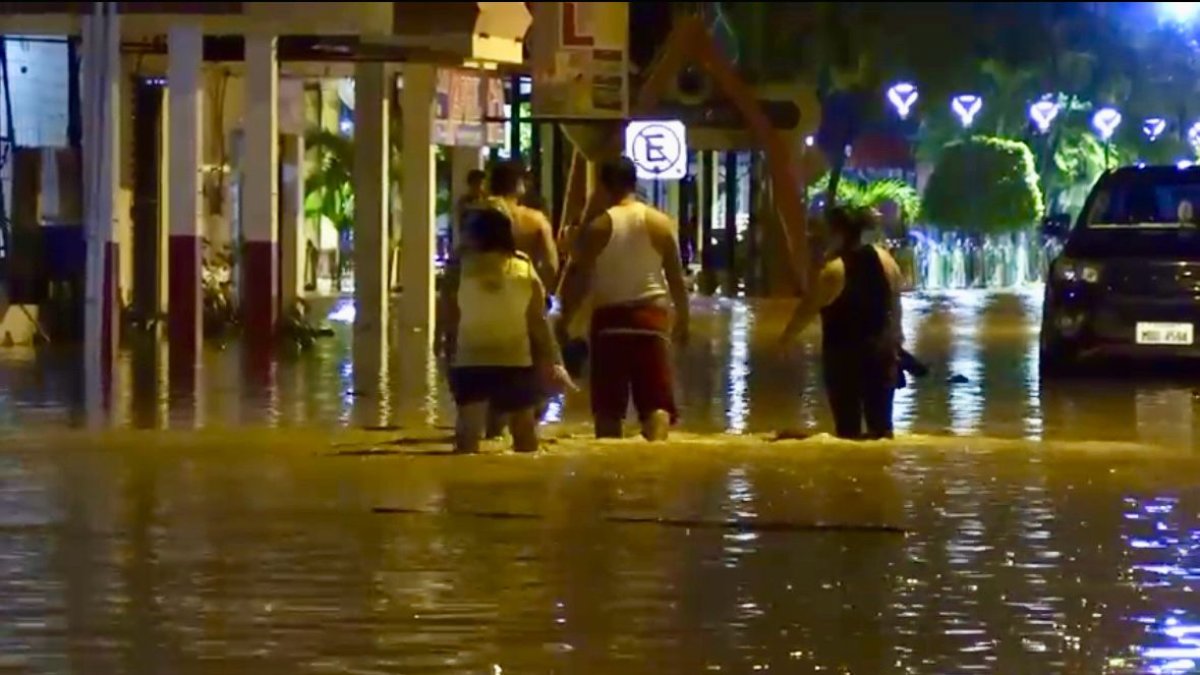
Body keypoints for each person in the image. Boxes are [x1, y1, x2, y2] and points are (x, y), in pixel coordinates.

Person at [558, 156, 690, 441]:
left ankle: (609, 473)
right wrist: (684, 319)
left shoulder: (599, 227)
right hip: (652, 321)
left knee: (608, 410)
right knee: (656, 404)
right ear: (635, 181)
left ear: (604, 186)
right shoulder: (661, 223)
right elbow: (677, 279)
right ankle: (656, 467)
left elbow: (579, 278)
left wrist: (565, 319)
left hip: (609, 323)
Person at [438, 207, 571, 454]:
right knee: (525, 438)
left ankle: (461, 489)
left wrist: (445, 353)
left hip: (470, 361)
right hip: (515, 363)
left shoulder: (458, 271)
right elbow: (537, 323)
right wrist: (552, 361)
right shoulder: (523, 267)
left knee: (467, 438)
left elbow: (449, 319)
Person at [779, 206, 905, 440]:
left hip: (844, 359)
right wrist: (896, 344)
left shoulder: (833, 271)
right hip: (882, 355)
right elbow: (896, 308)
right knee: (882, 432)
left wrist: (786, 339)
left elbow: (807, 309)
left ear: (837, 233)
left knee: (848, 433)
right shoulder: (887, 260)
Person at [483, 161, 559, 291]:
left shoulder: (476, 217)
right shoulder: (535, 220)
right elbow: (551, 266)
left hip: (482, 295)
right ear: (519, 184)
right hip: (522, 293)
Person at [452, 169, 487, 254]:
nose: (480, 187)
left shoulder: (487, 200)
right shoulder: (464, 201)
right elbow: (462, 223)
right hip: (469, 244)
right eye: (477, 184)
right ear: (471, 184)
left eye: (482, 184)